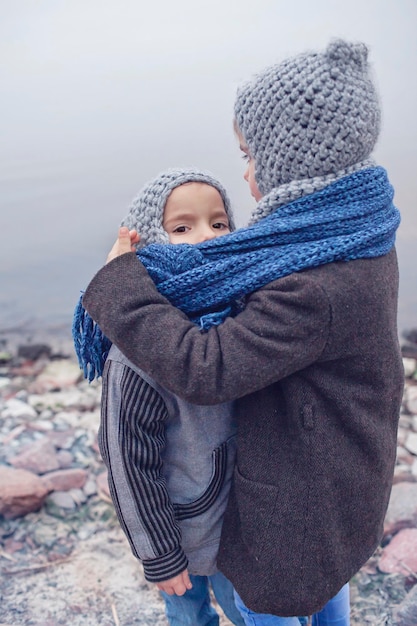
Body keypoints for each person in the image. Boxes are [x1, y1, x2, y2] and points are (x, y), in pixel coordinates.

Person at [81, 39, 404, 624]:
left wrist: (119, 283)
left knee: (281, 604)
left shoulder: (311, 284)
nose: (247, 173)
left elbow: (206, 369)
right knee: (330, 591)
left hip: (299, 513)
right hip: (343, 483)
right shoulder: (359, 232)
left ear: (290, 158)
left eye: (250, 155)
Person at [74, 167, 247, 626]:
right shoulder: (137, 348)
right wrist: (160, 554)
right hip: (181, 529)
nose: (206, 237)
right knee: (189, 614)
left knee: (248, 611)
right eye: (182, 228)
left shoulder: (244, 311)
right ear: (151, 238)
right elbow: (127, 458)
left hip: (242, 522)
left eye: (219, 223)